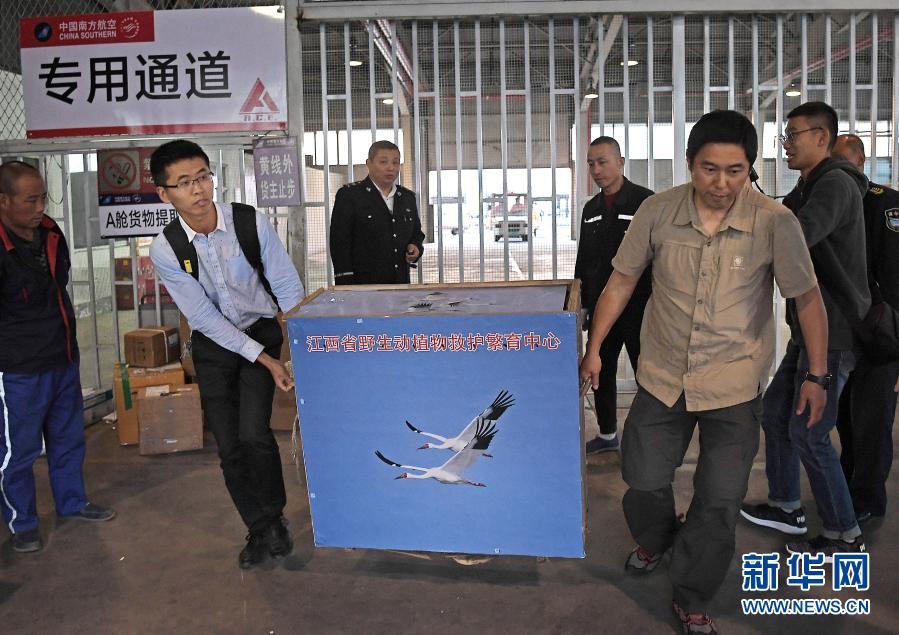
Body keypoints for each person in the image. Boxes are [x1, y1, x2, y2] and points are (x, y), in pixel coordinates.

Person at [579, 111, 825, 634]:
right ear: (690, 163)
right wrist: (594, 347)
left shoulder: (775, 222)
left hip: (734, 385)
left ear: (749, 167)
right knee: (642, 478)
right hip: (663, 376)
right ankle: (658, 539)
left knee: (718, 500)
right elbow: (621, 281)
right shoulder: (658, 211)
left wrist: (817, 374)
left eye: (735, 171)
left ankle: (692, 592)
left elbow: (806, 299)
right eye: (709, 169)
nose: (721, 184)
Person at [149, 140, 305, 569]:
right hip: (214, 345)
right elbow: (202, 316)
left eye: (203, 176)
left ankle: (274, 517)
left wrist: (297, 342)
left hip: (260, 330)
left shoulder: (249, 222)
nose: (198, 189)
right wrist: (265, 359)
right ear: (164, 194)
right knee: (230, 447)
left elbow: (286, 284)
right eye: (184, 183)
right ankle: (258, 526)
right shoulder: (166, 249)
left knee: (254, 433)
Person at [741, 102, 870, 559]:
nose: (786, 144)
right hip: (810, 329)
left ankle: (844, 532)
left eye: (793, 135)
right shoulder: (810, 184)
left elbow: (795, 235)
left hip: (833, 332)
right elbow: (781, 217)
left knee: (811, 432)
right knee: (776, 412)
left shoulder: (835, 184)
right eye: (785, 136)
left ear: (822, 137)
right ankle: (786, 506)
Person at [0, 161, 115, 554]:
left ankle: (72, 502)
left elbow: (58, 285)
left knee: (68, 439)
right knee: (18, 452)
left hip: (63, 358)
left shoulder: (50, 231)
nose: (40, 207)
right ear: (3, 201)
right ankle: (22, 523)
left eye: (43, 198)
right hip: (18, 370)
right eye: (30, 200)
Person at [831, 133, 899, 524]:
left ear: (860, 161)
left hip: (882, 335)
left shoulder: (886, 204)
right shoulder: (831, 203)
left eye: (843, 161)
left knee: (873, 423)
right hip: (843, 332)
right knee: (845, 419)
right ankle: (846, 489)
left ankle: (868, 501)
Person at [574, 136, 653, 454]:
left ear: (620, 162)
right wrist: (582, 304)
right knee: (600, 369)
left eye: (602, 162)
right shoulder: (591, 209)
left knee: (646, 373)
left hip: (639, 308)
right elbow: (583, 259)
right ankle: (607, 434)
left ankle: (649, 440)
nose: (596, 170)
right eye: (591, 164)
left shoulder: (645, 203)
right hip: (601, 310)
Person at [329, 141, 424, 285]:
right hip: (363, 285)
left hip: (400, 283)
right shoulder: (350, 195)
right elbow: (340, 243)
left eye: (395, 162)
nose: (391, 167)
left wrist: (415, 247)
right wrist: (345, 283)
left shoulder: (407, 197)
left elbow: (416, 234)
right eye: (383, 162)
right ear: (369, 164)